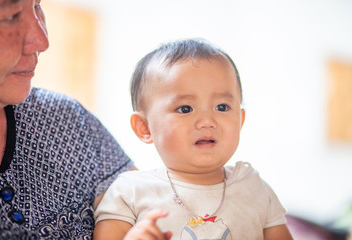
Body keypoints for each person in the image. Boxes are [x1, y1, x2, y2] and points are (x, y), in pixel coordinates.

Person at [93, 39, 294, 240]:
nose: (207, 121)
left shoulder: (255, 189)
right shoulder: (129, 191)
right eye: (185, 109)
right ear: (144, 127)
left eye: (222, 107)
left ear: (240, 120)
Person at [0, 0, 133, 239]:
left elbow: (146, 206)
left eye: (37, 6)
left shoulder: (63, 118)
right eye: (10, 16)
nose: (42, 41)